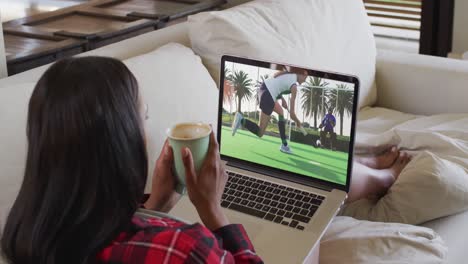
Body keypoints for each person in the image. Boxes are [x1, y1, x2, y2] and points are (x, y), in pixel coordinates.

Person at [0, 57, 263, 264]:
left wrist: (154, 206)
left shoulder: (24, 236)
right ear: (122, 140)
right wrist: (212, 210)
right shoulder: (184, 250)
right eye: (143, 118)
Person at [231, 67, 308, 154]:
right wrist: (298, 122)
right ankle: (241, 120)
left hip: (263, 89)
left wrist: (282, 99)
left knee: (280, 112)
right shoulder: (294, 87)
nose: (305, 81)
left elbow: (275, 82)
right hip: (268, 96)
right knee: (260, 132)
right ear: (302, 74)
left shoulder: (288, 73)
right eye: (305, 78)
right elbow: (292, 114)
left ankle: (284, 145)